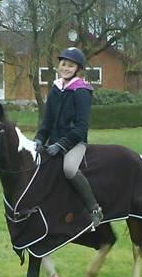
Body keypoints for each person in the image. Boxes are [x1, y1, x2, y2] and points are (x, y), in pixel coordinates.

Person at [34, 47, 103, 229]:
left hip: (74, 142)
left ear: (77, 69)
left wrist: (61, 145)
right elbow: (47, 120)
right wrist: (40, 138)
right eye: (63, 64)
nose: (66, 68)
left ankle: (94, 209)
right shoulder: (55, 89)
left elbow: (81, 126)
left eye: (70, 66)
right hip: (53, 141)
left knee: (69, 169)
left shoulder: (82, 91)